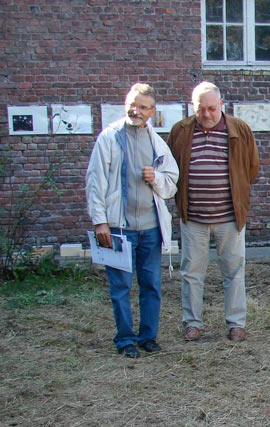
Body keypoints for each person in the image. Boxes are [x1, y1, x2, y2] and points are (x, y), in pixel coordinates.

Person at [86, 83, 178, 358]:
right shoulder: (109, 138)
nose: (135, 110)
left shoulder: (156, 142)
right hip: (118, 229)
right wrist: (99, 221)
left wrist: (156, 178)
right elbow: (95, 182)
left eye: (142, 106)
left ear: (152, 111)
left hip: (150, 229)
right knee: (120, 288)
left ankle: (148, 337)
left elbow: (171, 183)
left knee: (151, 286)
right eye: (131, 104)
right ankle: (125, 340)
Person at [167, 82, 260, 343]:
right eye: (200, 109)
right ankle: (192, 323)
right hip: (193, 218)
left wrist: (237, 195)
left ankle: (236, 323)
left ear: (221, 104)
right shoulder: (181, 131)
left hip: (230, 218)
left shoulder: (239, 130)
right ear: (192, 107)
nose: (206, 114)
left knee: (233, 272)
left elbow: (251, 168)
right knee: (192, 273)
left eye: (211, 108)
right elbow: (171, 169)